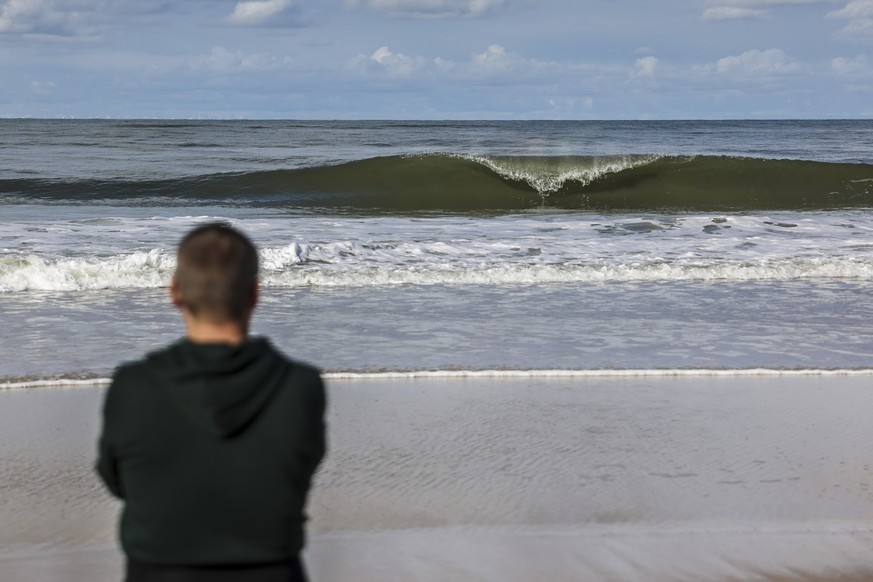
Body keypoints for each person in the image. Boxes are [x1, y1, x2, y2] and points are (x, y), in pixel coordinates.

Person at [96, 222, 326, 582]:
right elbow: (299, 471)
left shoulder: (134, 385)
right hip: (271, 569)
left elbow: (117, 480)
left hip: (157, 569)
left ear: (174, 291)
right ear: (254, 293)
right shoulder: (301, 386)